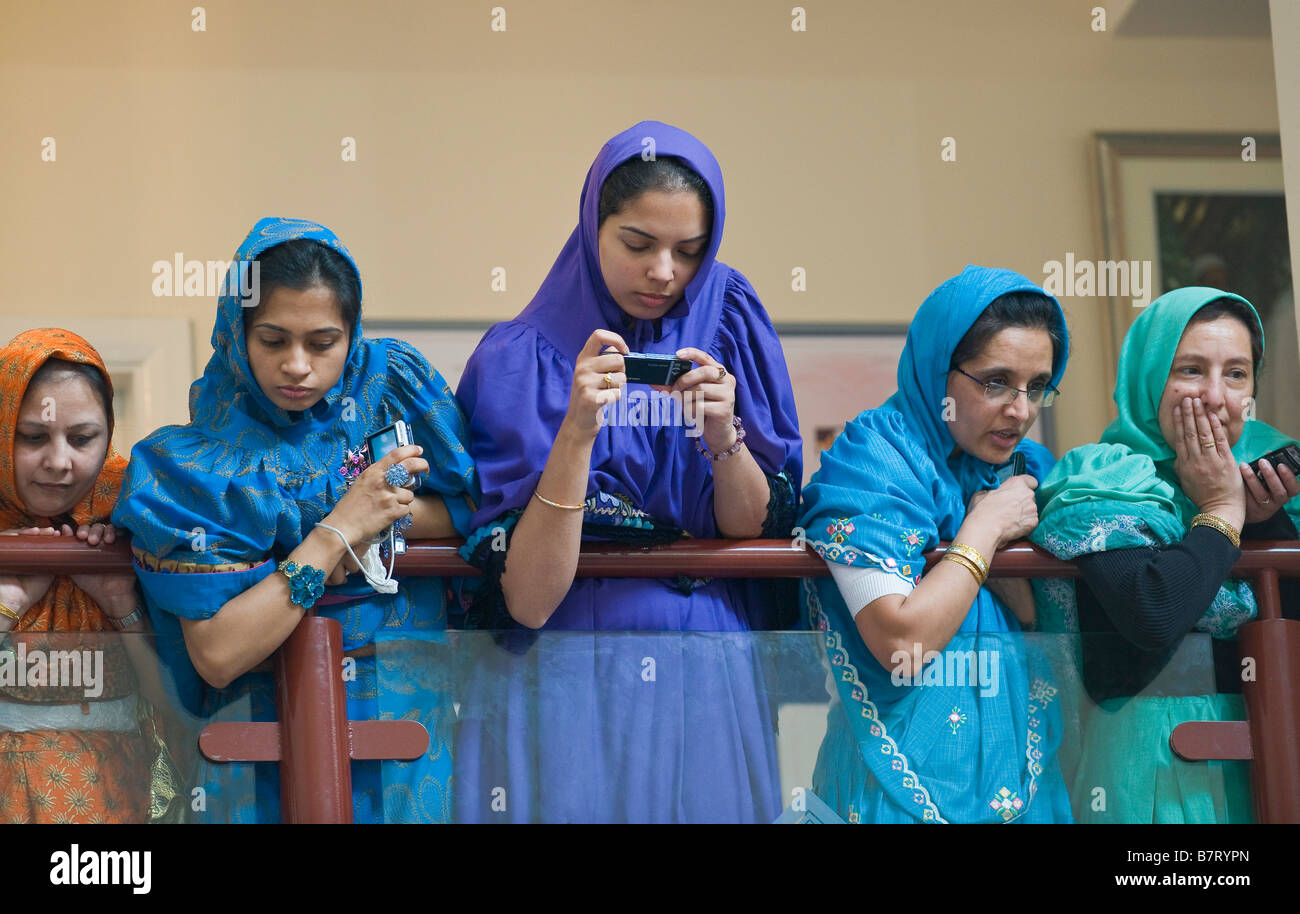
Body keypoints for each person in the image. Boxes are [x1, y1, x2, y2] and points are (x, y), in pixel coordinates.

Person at [454, 121, 803, 823]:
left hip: (712, 664)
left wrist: (723, 436)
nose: (666, 273)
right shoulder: (520, 359)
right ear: (592, 229)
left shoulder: (731, 324)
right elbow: (524, 597)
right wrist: (577, 431)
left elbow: (753, 529)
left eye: (690, 251)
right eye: (638, 245)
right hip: (569, 662)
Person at [112, 218, 478, 823]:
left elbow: (473, 513)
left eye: (323, 342)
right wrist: (333, 533)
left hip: (409, 729)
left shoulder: (392, 388)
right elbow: (220, 651)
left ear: (353, 334)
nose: (298, 366)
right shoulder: (191, 463)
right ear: (236, 333)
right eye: (274, 340)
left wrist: (366, 527)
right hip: (258, 741)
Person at [800, 265, 1075, 823]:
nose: (1020, 410)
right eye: (995, 381)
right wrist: (983, 532)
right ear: (937, 369)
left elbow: (1047, 626)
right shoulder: (873, 459)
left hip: (1026, 785)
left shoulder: (1030, 473)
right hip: (892, 790)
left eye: (1037, 387)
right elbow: (902, 642)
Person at [1031, 287, 1300, 822]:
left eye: (1237, 374)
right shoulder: (1104, 476)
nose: (1217, 398)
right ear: (1149, 375)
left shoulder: (1273, 484)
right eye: (1192, 370)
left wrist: (1263, 517)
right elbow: (1154, 611)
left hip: (1267, 759)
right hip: (1147, 770)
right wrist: (1222, 510)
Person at [0, 329, 180, 823]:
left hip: (119, 798)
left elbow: (180, 702)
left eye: (82, 439)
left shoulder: (140, 517)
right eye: (33, 437)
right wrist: (8, 602)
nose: (59, 463)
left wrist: (122, 601)